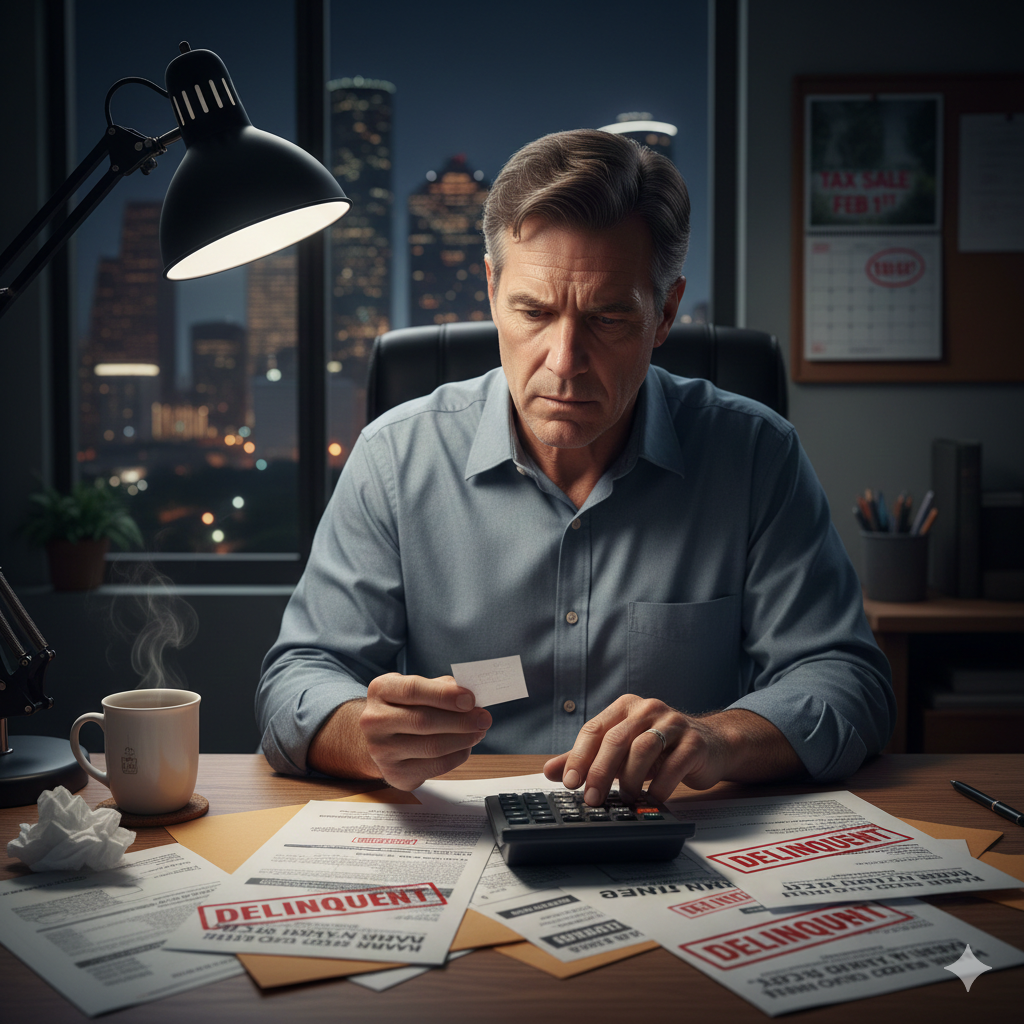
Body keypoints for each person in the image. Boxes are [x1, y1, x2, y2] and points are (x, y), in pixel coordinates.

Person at [256, 129, 894, 807]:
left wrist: (717, 740)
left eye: (608, 318)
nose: (563, 361)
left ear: (666, 313)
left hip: (679, 843)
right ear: (494, 291)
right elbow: (297, 679)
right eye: (533, 311)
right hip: (462, 841)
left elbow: (846, 679)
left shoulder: (756, 456)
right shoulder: (395, 458)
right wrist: (366, 735)